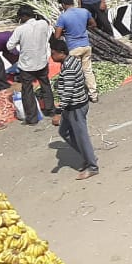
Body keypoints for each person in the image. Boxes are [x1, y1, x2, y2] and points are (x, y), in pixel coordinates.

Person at [49, 38, 99, 179]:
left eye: (53, 54)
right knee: (64, 131)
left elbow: (68, 91)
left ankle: (92, 166)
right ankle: (87, 156)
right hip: (71, 106)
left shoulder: (70, 67)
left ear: (61, 53)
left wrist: (59, 111)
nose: (52, 57)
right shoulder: (69, 62)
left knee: (82, 137)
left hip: (76, 107)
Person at [8, 6, 53, 126]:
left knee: (27, 90)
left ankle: (32, 118)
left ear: (24, 17)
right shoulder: (43, 24)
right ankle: (50, 109)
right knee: (45, 85)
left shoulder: (20, 30)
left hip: (27, 65)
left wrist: (20, 45)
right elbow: (47, 23)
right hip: (41, 62)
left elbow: (9, 46)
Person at [54, 0, 97, 102]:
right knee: (88, 71)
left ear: (63, 4)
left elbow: (57, 36)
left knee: (74, 73)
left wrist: (66, 32)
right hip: (86, 45)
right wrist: (83, 28)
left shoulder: (63, 17)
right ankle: (94, 95)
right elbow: (93, 24)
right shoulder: (84, 11)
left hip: (73, 48)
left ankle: (78, 96)